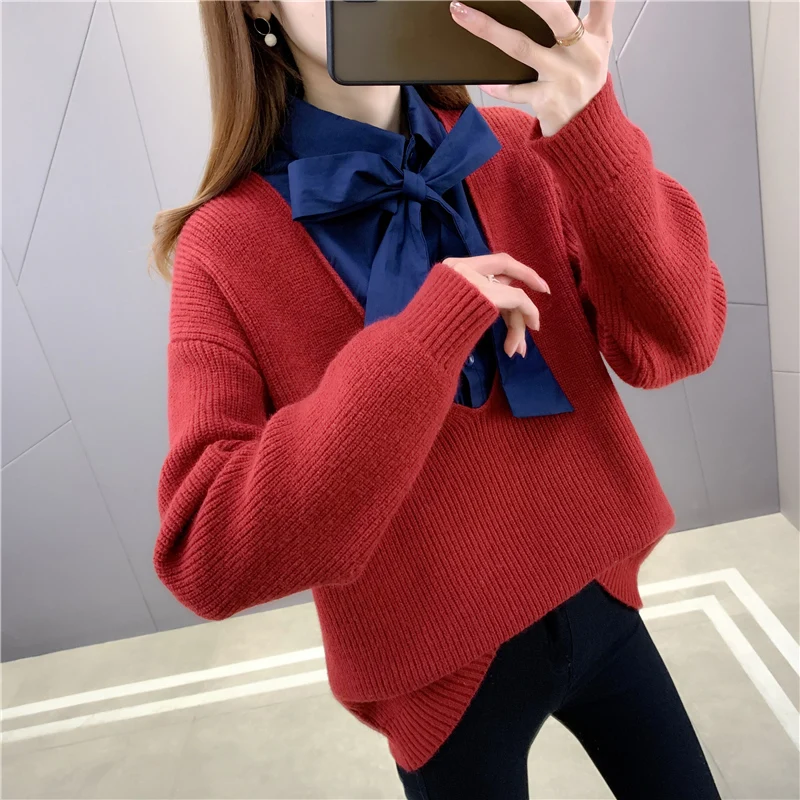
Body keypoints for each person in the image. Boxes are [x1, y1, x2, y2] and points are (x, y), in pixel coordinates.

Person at [151, 1, 727, 797]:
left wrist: (592, 128)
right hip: (441, 678)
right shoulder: (225, 246)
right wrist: (422, 340)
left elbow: (682, 339)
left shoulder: (518, 146)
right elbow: (207, 556)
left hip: (601, 600)